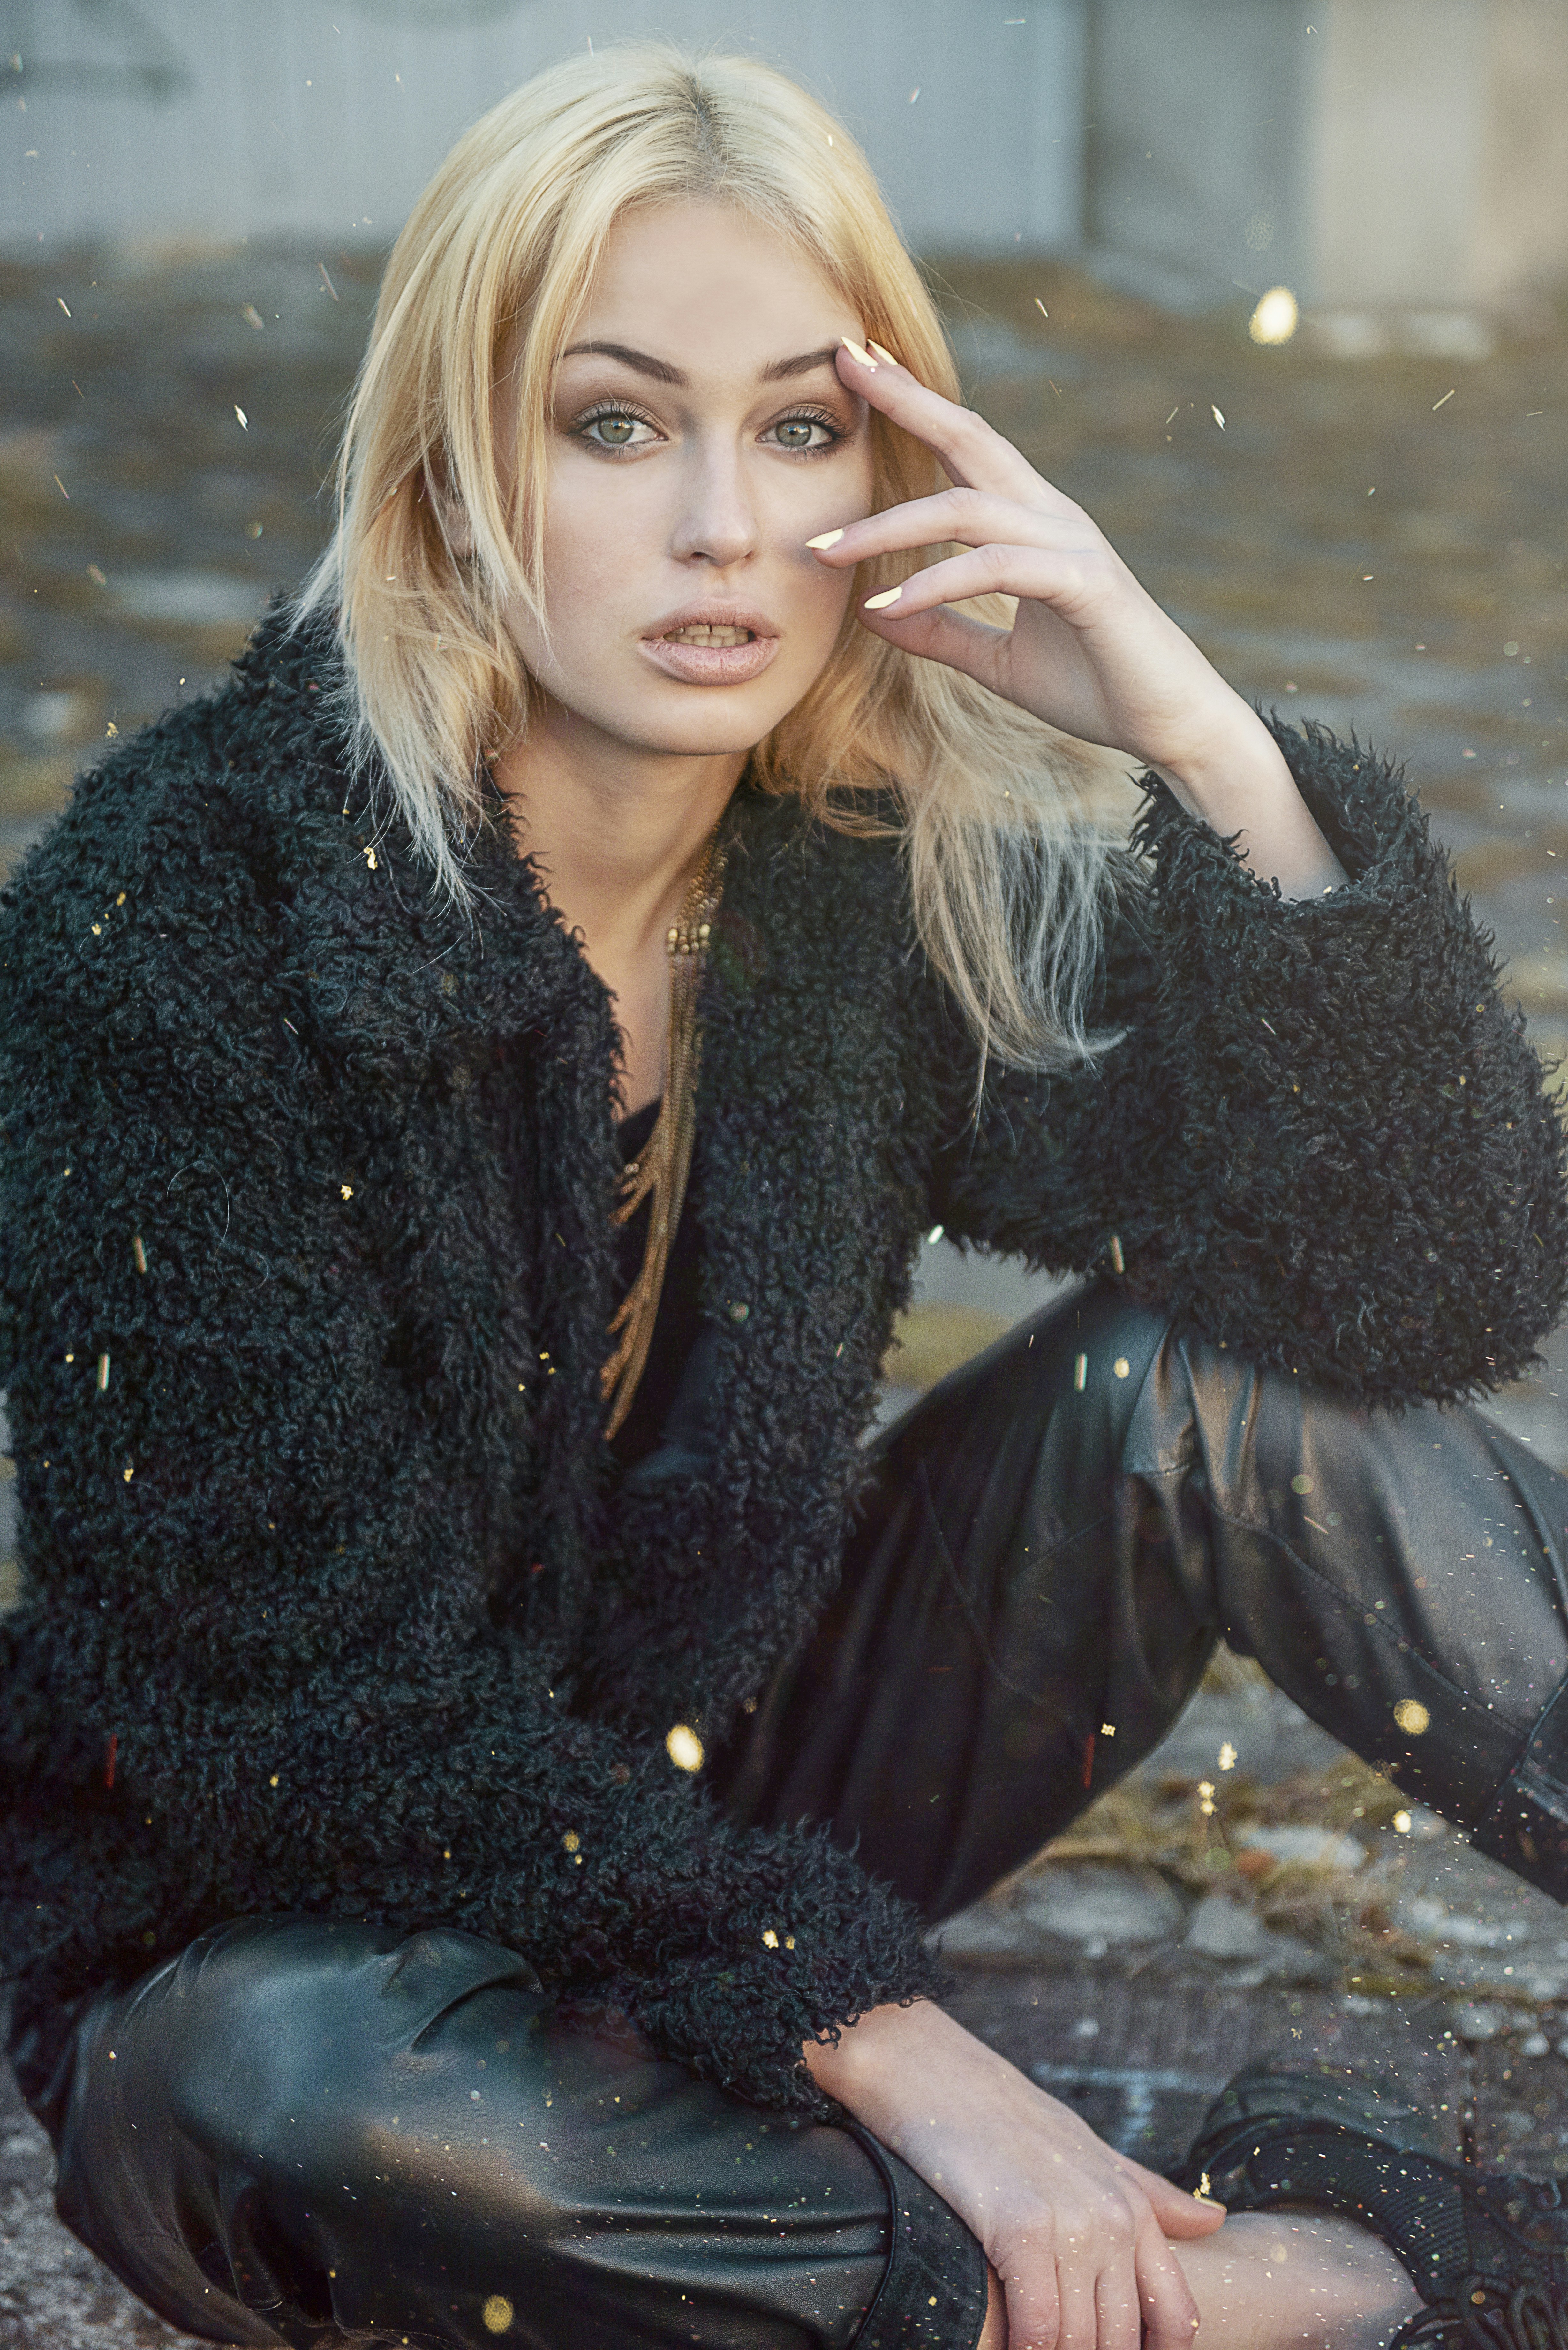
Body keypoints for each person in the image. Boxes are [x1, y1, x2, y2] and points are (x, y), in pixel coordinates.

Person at [2, 40, 1565, 2350]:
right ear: (452, 466)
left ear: (895, 472)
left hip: (718, 1810)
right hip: (284, 1927)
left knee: (1221, 1394)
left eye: (803, 429)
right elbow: (321, 1730)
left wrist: (1199, 735)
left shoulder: (853, 886)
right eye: (614, 425)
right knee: (307, 2083)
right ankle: (1283, 2291)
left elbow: (1415, 1287)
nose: (725, 527)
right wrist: (911, 2054)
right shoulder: (173, 926)